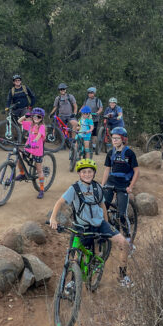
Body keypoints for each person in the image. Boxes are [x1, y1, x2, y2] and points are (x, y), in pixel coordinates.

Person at [49, 158, 132, 287]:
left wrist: (106, 221)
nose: (87, 174)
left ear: (93, 173)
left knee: (125, 244)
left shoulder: (97, 186)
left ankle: (122, 276)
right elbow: (60, 202)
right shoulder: (74, 188)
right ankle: (72, 282)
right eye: (84, 172)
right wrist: (53, 219)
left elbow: (102, 204)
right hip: (83, 226)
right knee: (76, 255)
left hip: (100, 224)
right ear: (79, 174)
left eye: (89, 172)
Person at [101, 126, 139, 285]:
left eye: (117, 138)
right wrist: (102, 186)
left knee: (122, 214)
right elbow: (106, 170)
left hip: (124, 185)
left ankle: (129, 240)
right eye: (112, 138)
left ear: (123, 139)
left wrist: (131, 186)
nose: (114, 141)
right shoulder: (110, 153)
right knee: (103, 206)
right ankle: (105, 231)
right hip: (111, 183)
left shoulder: (129, 153)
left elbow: (136, 171)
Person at [16, 107, 47, 199]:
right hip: (28, 148)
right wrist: (26, 116)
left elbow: (39, 135)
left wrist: (33, 142)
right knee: (20, 157)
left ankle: (41, 189)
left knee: (39, 170)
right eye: (34, 116)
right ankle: (22, 174)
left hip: (37, 150)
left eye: (39, 117)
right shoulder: (30, 124)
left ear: (42, 118)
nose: (36, 118)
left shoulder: (42, 126)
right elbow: (19, 121)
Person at [83, 87, 103, 152]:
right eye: (89, 93)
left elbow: (100, 108)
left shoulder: (97, 100)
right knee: (85, 130)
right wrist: (80, 111)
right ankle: (86, 145)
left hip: (94, 118)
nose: (90, 94)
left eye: (91, 93)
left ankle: (94, 146)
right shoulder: (86, 99)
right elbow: (83, 106)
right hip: (87, 118)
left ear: (94, 93)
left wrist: (98, 112)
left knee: (94, 133)